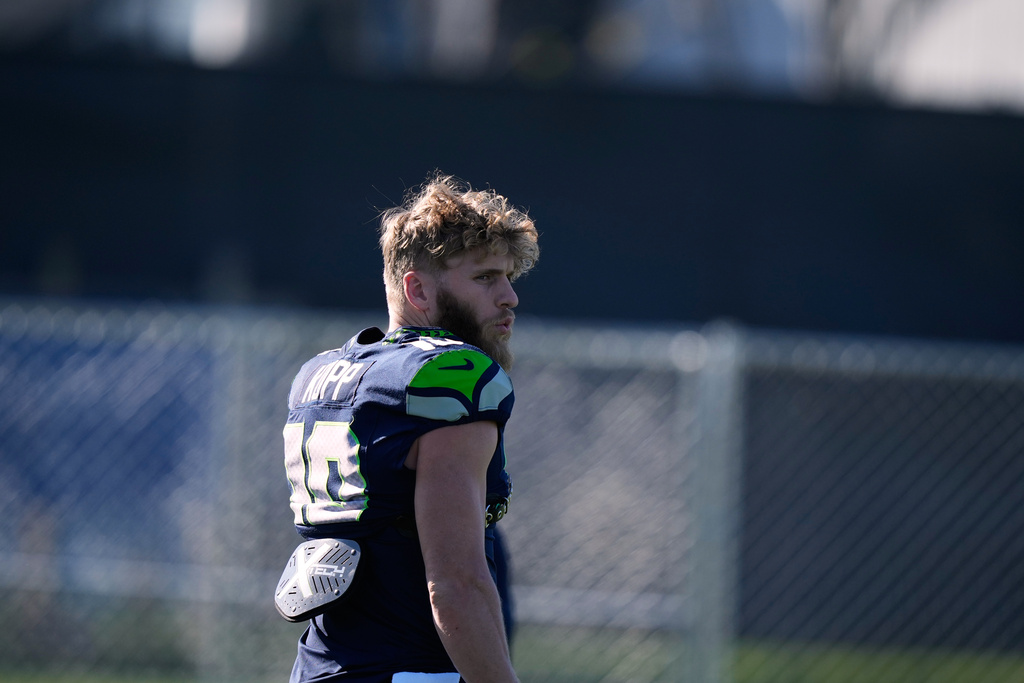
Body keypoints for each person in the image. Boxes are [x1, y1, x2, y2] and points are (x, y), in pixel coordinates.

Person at [279, 172, 540, 683]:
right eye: (485, 278)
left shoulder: (320, 376)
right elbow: (456, 582)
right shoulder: (449, 377)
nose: (509, 297)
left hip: (319, 669)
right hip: (411, 672)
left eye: (510, 278)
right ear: (416, 288)